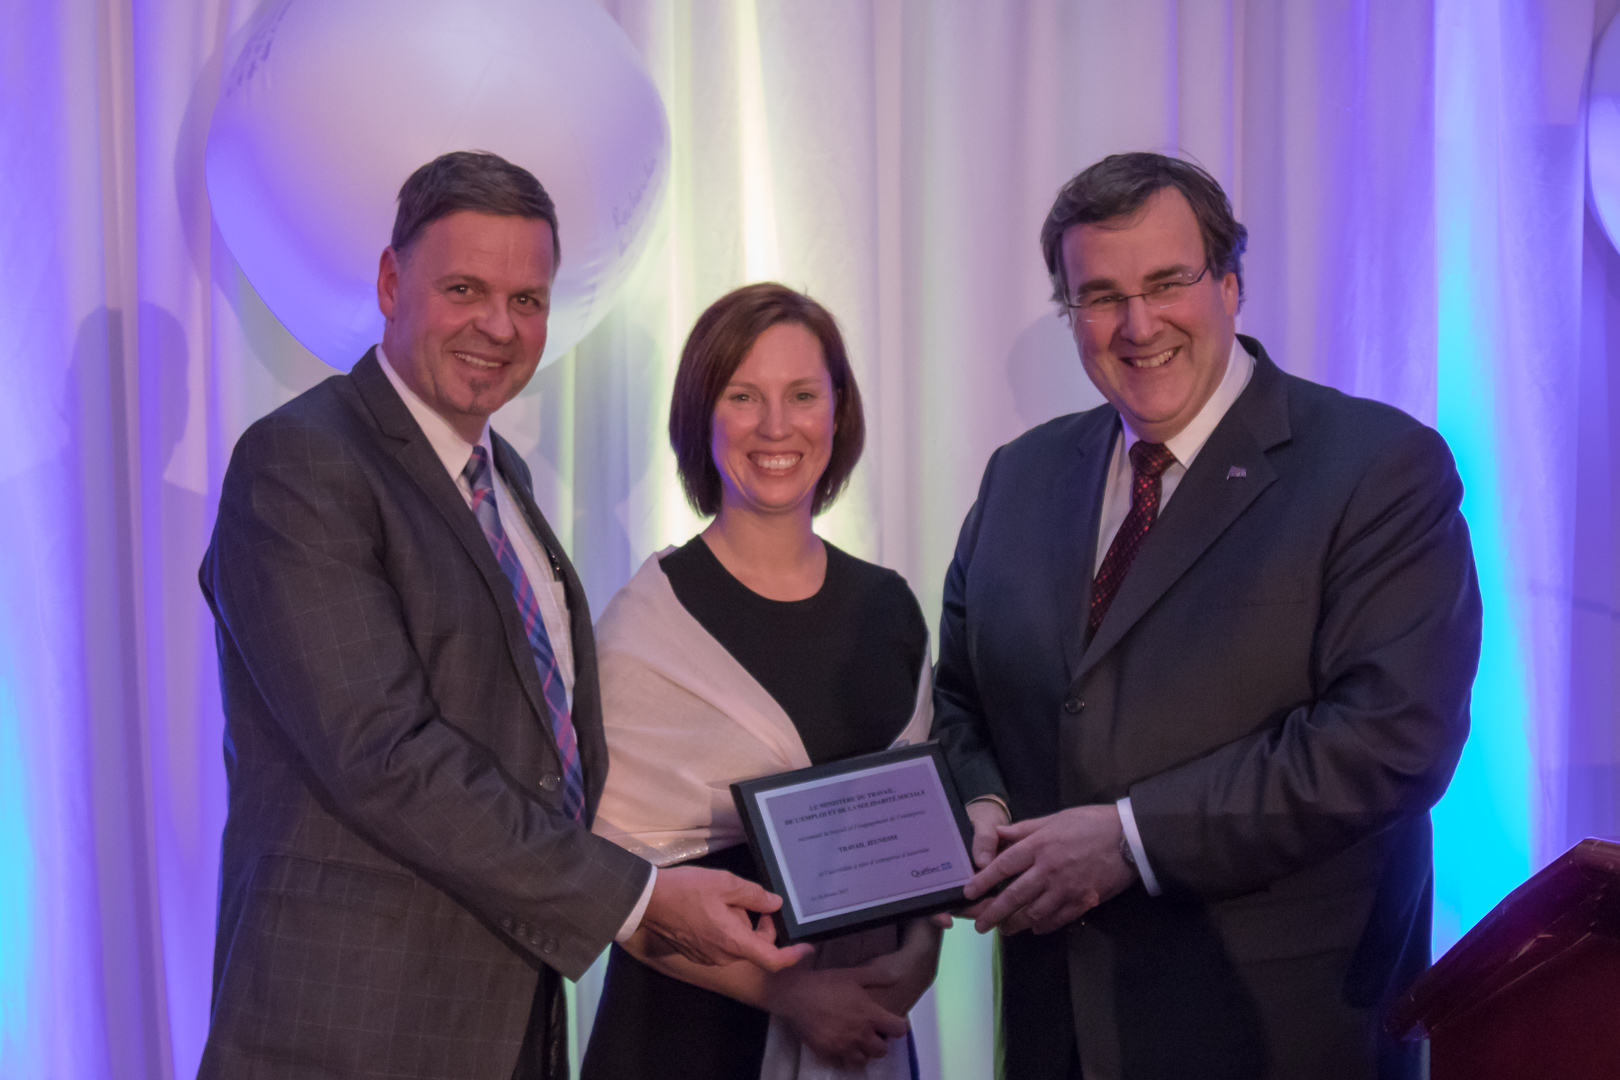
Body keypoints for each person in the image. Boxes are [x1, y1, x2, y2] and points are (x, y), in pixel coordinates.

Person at [197, 152, 808, 1080]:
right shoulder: (302, 463)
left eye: (528, 300)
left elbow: (540, 750)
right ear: (391, 282)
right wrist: (640, 898)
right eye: (464, 289)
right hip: (351, 1028)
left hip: (507, 1011)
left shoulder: (501, 478)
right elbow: (382, 753)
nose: (498, 325)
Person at [932, 152, 1482, 1080]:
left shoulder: (1377, 467)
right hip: (1053, 1024)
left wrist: (1130, 839)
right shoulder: (1019, 475)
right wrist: (979, 804)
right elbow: (961, 698)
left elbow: (1391, 739)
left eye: (1167, 283)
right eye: (1100, 296)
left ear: (1230, 285)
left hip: (1278, 1029)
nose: (1138, 325)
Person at [580, 283, 945, 1080]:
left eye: (803, 395)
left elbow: (921, 847)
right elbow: (609, 888)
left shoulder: (888, 607)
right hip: (685, 1042)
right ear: (700, 417)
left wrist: (919, 959)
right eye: (743, 396)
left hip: (865, 1039)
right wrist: (792, 997)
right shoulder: (645, 626)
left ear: (838, 413)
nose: (776, 426)